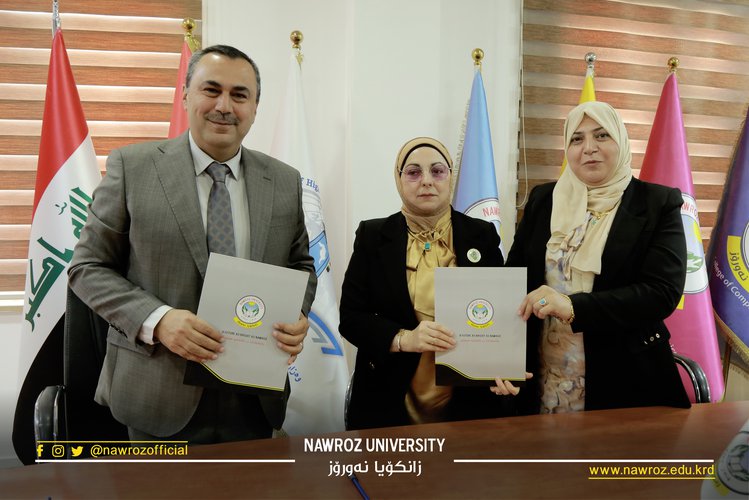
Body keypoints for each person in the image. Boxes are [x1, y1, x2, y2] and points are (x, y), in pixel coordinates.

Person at [68, 45, 317, 443]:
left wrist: (296, 315)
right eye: (211, 90)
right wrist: (159, 320)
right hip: (157, 394)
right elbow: (87, 268)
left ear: (255, 108)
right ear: (185, 95)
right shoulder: (132, 168)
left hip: (253, 398)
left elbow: (301, 264)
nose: (224, 106)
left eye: (239, 95)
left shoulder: (284, 181)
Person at [506, 101, 690, 414]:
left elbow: (661, 293)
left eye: (602, 135)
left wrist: (573, 307)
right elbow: (513, 280)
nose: (588, 148)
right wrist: (499, 358)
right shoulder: (544, 199)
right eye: (577, 139)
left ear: (621, 141)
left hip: (624, 377)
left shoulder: (657, 202)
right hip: (544, 376)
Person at [339, 137, 521, 430]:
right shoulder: (373, 236)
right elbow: (351, 318)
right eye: (414, 172)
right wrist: (403, 339)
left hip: (466, 400)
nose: (426, 181)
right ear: (399, 178)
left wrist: (502, 367)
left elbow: (499, 314)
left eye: (437, 171)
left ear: (450, 177)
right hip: (388, 396)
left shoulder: (481, 234)